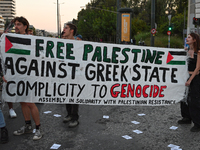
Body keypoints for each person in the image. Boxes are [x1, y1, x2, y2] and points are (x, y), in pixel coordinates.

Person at [7, 16, 42, 140]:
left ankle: (38, 129)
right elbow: (7, 57)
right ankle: (27, 126)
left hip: (29, 75)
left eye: (19, 24)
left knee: (29, 102)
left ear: (25, 26)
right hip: (17, 75)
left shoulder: (31, 39)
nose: (16, 26)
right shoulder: (10, 39)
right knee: (22, 101)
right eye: (15, 24)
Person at [178, 32, 200, 132]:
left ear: (194, 40)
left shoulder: (198, 52)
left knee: (194, 100)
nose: (187, 38)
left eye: (189, 37)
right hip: (185, 76)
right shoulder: (187, 50)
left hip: (195, 77)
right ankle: (186, 117)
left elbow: (198, 67)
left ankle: (197, 123)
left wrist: (190, 79)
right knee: (184, 98)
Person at [62, 23, 79, 128]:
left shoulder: (78, 43)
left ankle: (75, 118)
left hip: (75, 73)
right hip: (64, 72)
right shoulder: (62, 42)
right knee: (66, 94)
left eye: (66, 28)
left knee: (74, 95)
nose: (64, 30)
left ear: (71, 31)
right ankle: (69, 114)